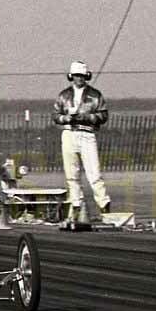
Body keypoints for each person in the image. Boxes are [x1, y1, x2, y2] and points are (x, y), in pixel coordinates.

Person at [52, 60, 111, 216]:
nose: (79, 79)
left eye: (82, 76)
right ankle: (76, 204)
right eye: (77, 75)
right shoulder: (64, 95)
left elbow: (103, 115)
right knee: (72, 173)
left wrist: (87, 117)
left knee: (94, 172)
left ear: (87, 76)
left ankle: (103, 203)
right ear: (71, 76)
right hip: (69, 133)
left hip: (87, 134)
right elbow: (56, 115)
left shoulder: (95, 95)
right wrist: (66, 119)